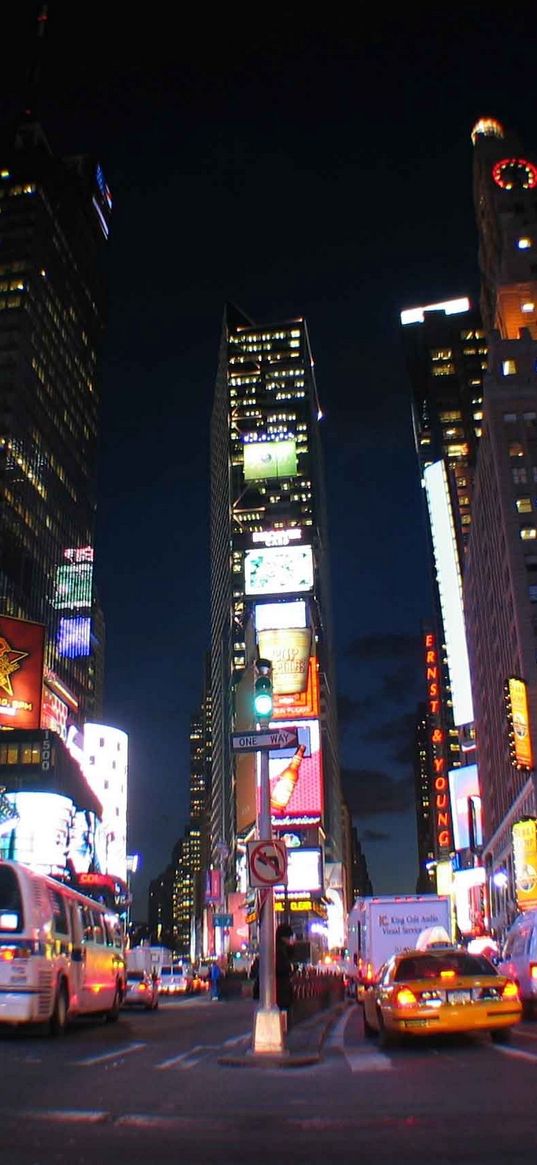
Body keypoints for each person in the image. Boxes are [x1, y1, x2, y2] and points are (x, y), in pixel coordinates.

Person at [275, 923, 295, 1014]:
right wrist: (291, 967)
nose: (290, 940)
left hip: (281, 991)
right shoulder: (280, 950)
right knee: (283, 1014)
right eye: (289, 938)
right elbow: (283, 967)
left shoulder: (280, 948)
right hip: (281, 991)